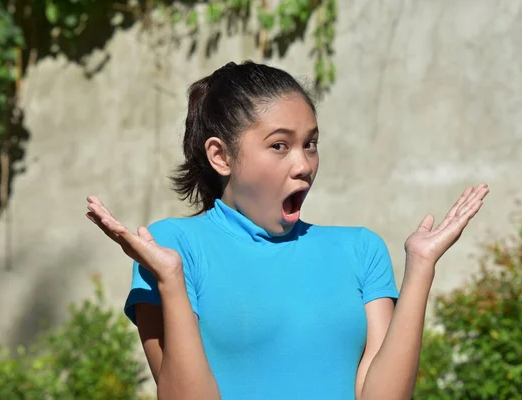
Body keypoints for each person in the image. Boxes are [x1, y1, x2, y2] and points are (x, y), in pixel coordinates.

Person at [85, 60, 489, 400]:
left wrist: (420, 268)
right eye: (280, 145)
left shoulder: (360, 250)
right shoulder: (173, 249)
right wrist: (170, 280)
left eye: (310, 144)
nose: (304, 165)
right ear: (221, 156)